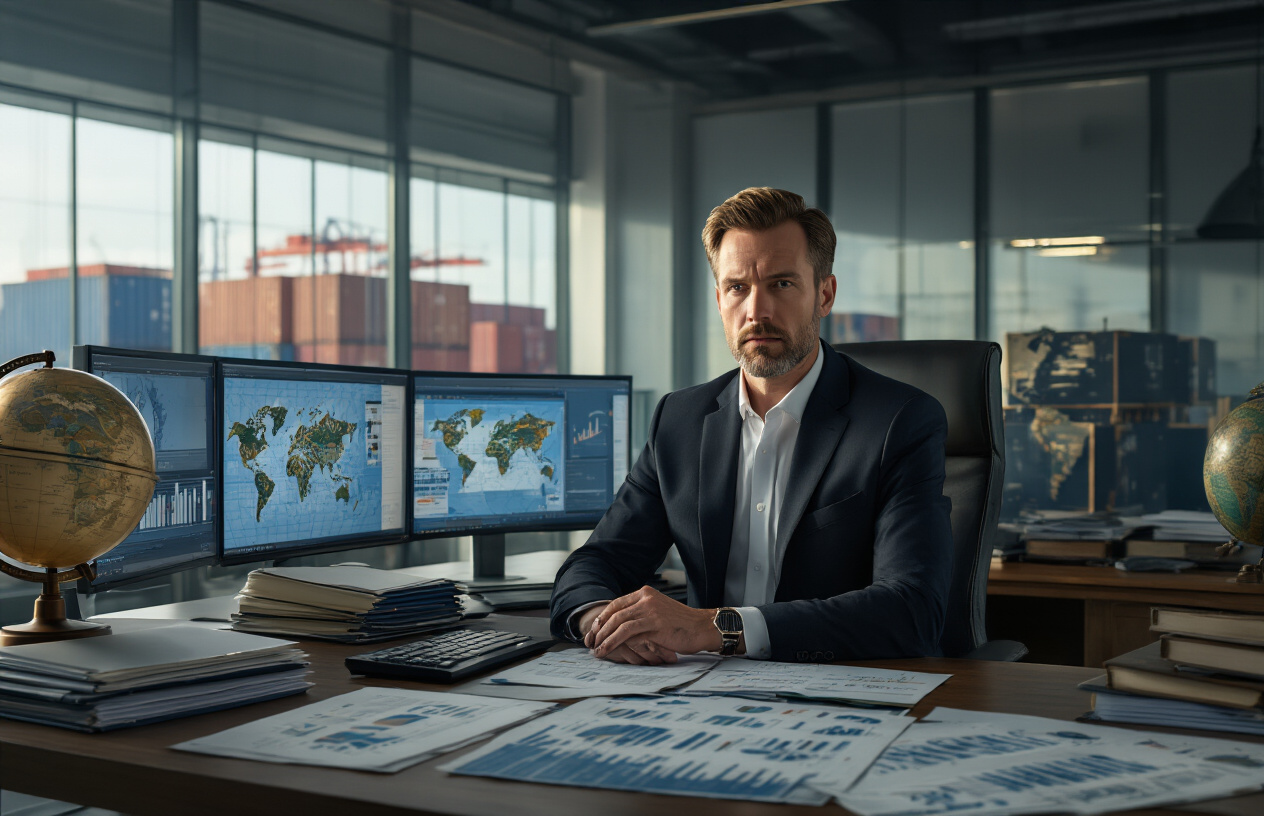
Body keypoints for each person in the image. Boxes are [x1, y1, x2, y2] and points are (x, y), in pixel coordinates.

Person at [549, 186, 953, 665]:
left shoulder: (899, 421)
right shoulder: (680, 420)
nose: (756, 311)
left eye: (781, 284)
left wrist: (713, 628)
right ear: (719, 298)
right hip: (699, 695)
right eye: (738, 287)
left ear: (824, 294)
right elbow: (597, 562)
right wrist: (605, 620)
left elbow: (911, 610)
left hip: (838, 688)